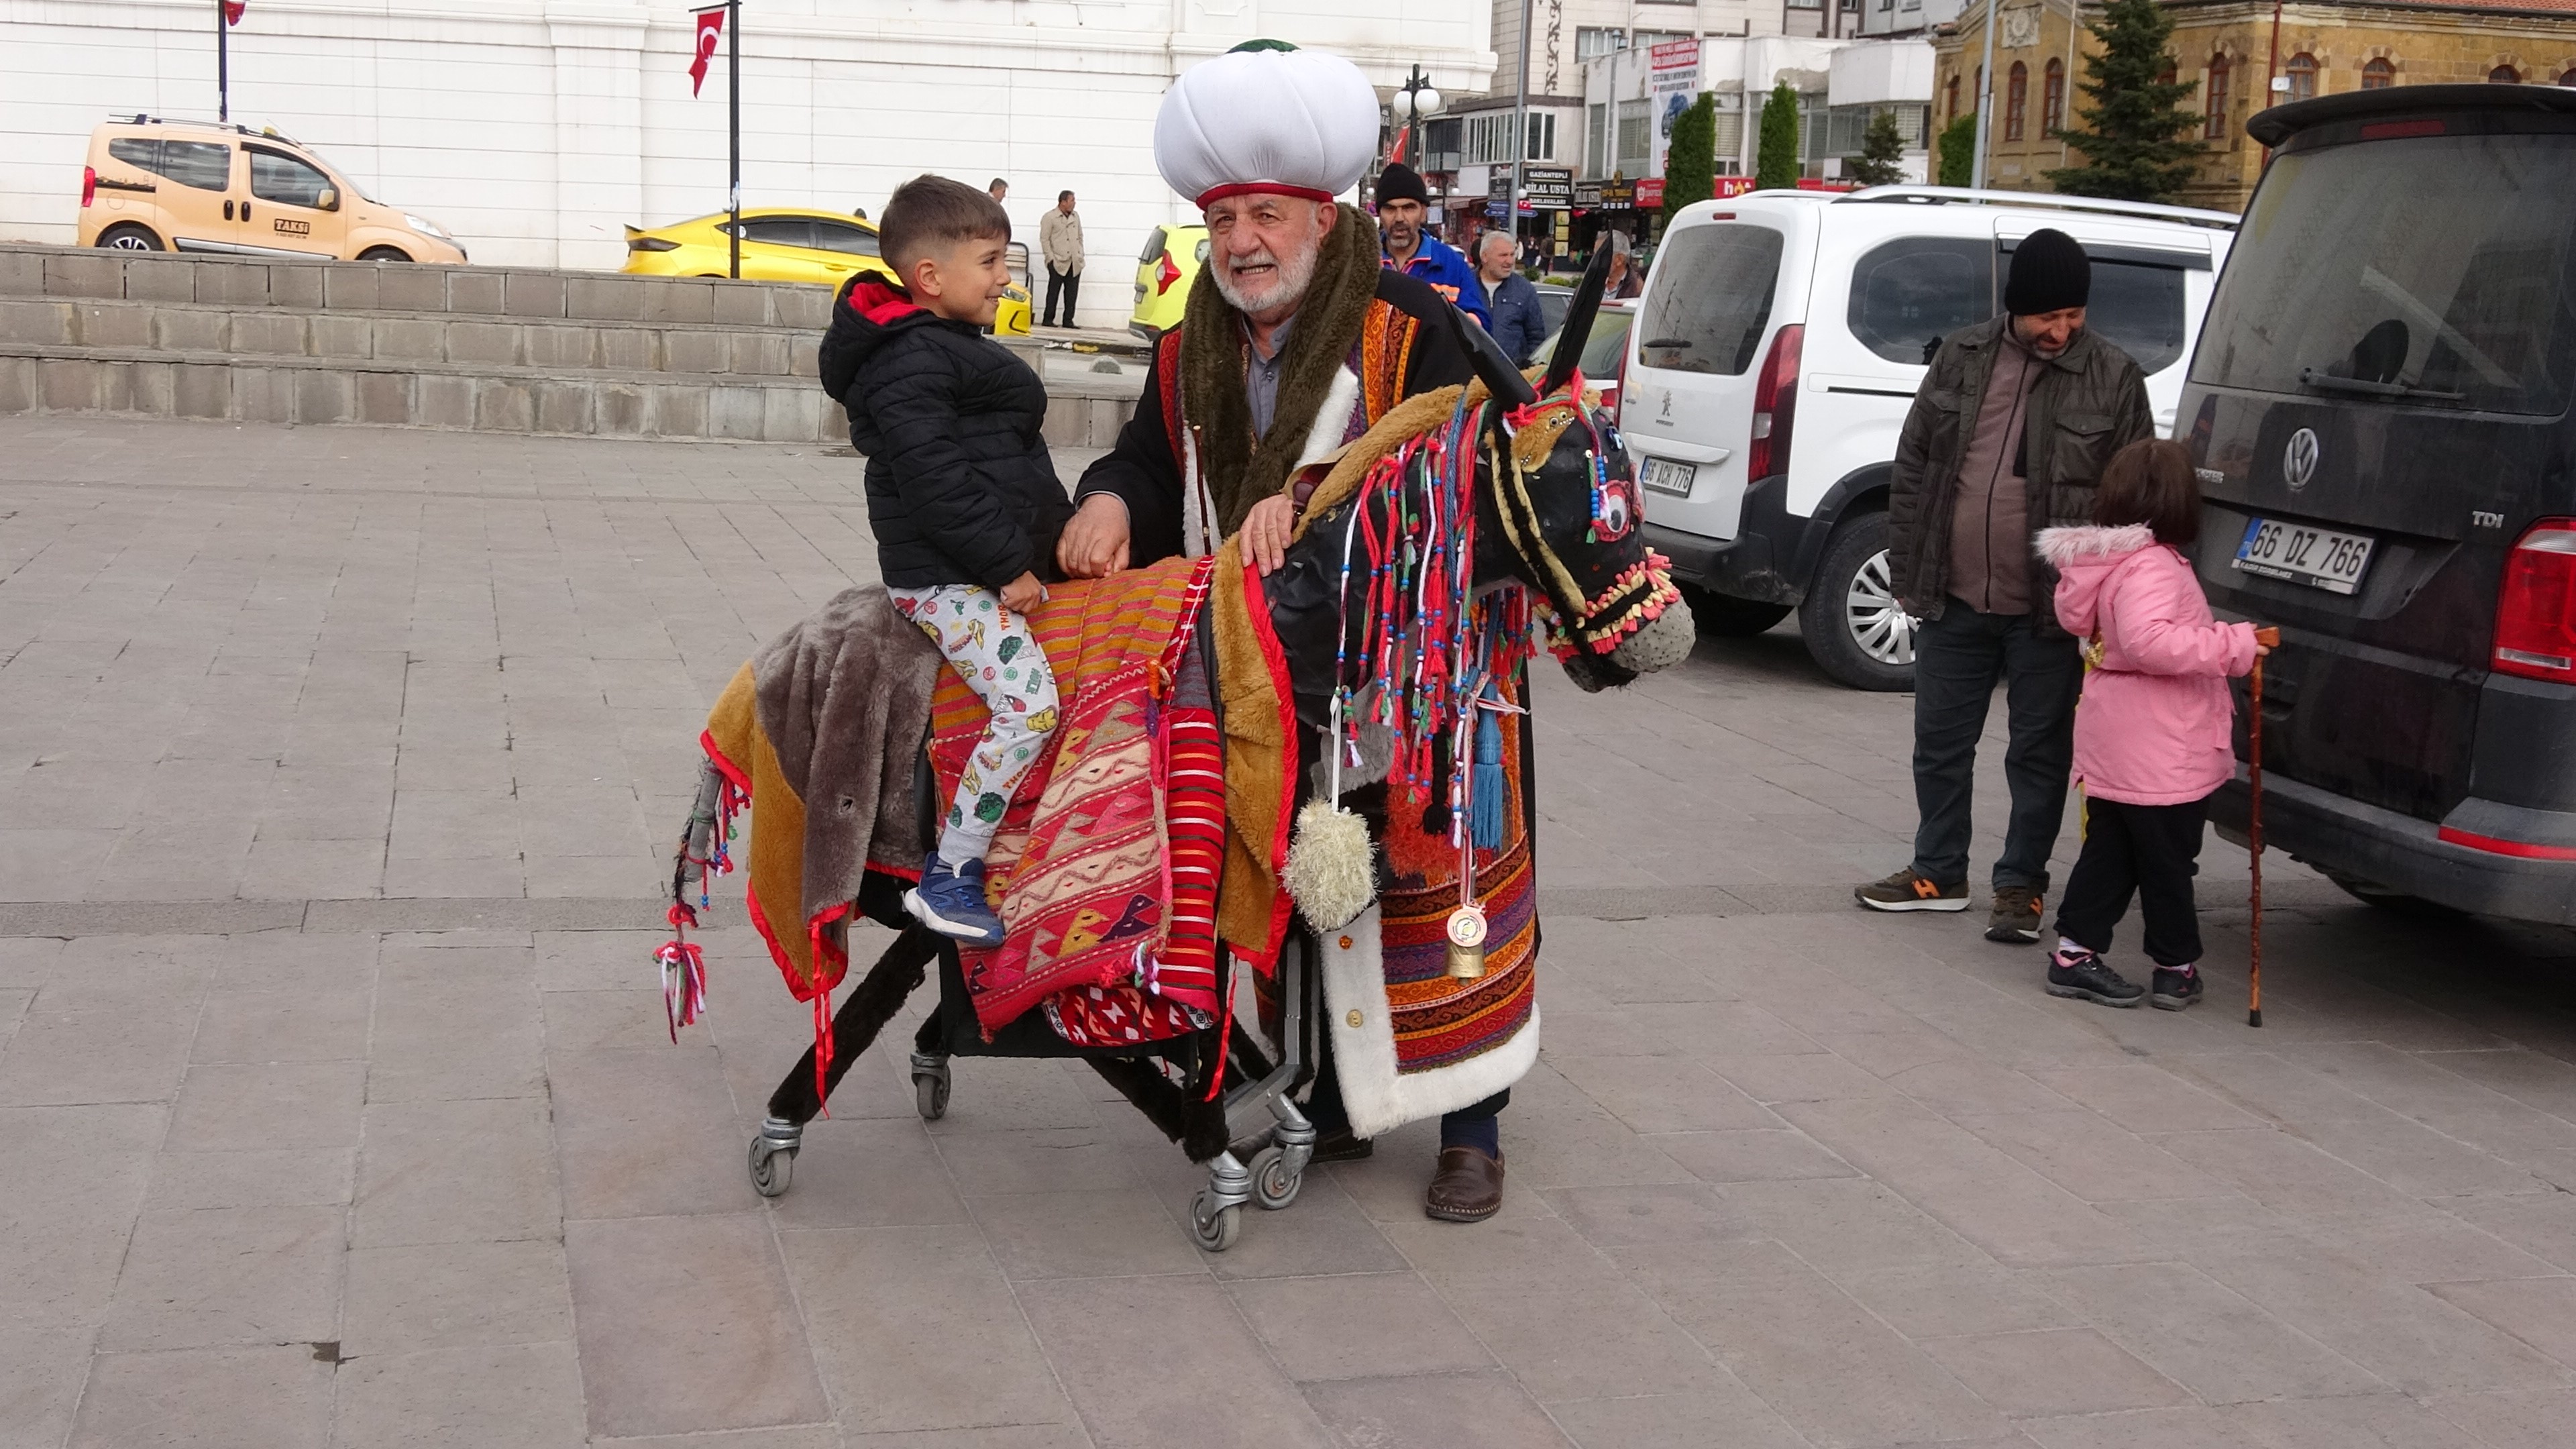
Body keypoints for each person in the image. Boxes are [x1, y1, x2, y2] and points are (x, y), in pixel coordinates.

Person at [1059, 44, 1522, 1224]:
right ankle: (1328, 1096)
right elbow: (1151, 462)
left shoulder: (1410, 320)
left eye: (1266, 215)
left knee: (1437, 890)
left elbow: (1455, 461)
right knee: (1308, 893)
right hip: (1278, 678)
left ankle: (1473, 1128)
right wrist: (1109, 498)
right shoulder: (1188, 349)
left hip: (1421, 679)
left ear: (1323, 218)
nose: (1243, 242)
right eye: (1223, 222)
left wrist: (1317, 496)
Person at [1857, 228, 2154, 944]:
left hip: (2049, 610)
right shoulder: (1963, 357)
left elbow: (2135, 502)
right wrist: (1907, 566)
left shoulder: (2114, 376)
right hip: (1955, 595)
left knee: (2039, 752)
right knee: (1939, 744)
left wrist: (2113, 601)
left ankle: (2021, 886)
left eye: (2072, 318)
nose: (2061, 331)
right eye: (2048, 317)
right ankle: (1938, 870)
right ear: (2016, 307)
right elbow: (1915, 467)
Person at [816, 174, 1073, 948]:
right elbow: (938, 484)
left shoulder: (936, 347)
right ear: (931, 278)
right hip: (947, 578)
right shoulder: (911, 363)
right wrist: (1009, 567)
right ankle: (952, 869)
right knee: (1029, 705)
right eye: (991, 263)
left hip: (970, 564)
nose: (1006, 277)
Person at [2034, 440, 2273, 1010]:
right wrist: (2235, 643)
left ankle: (2076, 953)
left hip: (2119, 735)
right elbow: (2149, 642)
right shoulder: (2153, 567)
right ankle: (2176, 964)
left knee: (2114, 849)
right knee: (2167, 857)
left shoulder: (2107, 564)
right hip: (2162, 745)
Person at [1372, 162, 1489, 327]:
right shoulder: (1362, 262)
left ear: (1423, 213)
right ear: (1380, 214)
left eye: (1408, 208)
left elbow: (1479, 329)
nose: (1399, 218)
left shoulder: (1451, 265)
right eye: (1390, 209)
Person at [1477, 229, 1545, 367]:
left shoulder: (1525, 290)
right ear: (1485, 257)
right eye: (1503, 255)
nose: (1509, 261)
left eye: (1512, 255)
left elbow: (1537, 338)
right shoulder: (1465, 286)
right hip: (1470, 378)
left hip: (1512, 379)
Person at [1039, 189, 1083, 328]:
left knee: (1072, 293)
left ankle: (1068, 320)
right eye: (1072, 200)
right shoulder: (1050, 217)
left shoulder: (1075, 217)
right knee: (1053, 291)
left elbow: (1080, 236)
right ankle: (1048, 319)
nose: (1074, 203)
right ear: (1063, 202)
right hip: (1058, 260)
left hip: (1074, 261)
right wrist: (1050, 258)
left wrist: (1080, 254)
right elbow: (1044, 239)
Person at [1603, 229, 1643, 299]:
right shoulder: (1590, 283)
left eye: (1601, 256)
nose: (1595, 262)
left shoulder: (1637, 288)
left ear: (1619, 260)